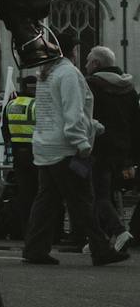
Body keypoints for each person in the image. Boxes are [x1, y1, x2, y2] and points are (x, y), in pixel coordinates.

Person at [21, 49, 128, 266]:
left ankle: (34, 249)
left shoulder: (45, 73)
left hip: (45, 147)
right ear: (71, 52)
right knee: (83, 200)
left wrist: (92, 126)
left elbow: (53, 111)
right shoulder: (68, 73)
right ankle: (100, 249)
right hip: (66, 149)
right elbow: (72, 112)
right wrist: (82, 142)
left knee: (46, 201)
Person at [83, 47, 137, 253]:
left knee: (97, 195)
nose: (86, 65)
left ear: (96, 64)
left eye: (88, 61)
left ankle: (119, 232)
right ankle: (99, 238)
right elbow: (135, 124)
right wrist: (132, 157)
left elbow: (87, 118)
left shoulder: (92, 86)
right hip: (122, 151)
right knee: (106, 194)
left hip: (99, 148)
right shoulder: (129, 88)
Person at [0, 76, 37, 243]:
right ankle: (38, 231)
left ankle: (22, 231)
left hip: (17, 155)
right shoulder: (37, 105)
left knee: (24, 194)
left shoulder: (11, 105)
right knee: (39, 194)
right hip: (36, 154)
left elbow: (5, 131)